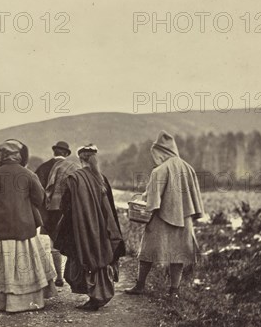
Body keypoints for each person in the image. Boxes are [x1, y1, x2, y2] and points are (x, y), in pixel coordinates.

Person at [0, 139, 57, 312]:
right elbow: (39, 199)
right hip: (23, 228)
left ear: (2, 155)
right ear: (18, 156)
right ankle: (23, 302)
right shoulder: (28, 174)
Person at [125, 130, 204, 298]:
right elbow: (195, 196)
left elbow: (152, 200)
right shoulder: (188, 168)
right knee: (179, 253)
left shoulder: (159, 171)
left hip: (162, 218)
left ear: (160, 151)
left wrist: (145, 206)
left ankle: (140, 285)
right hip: (184, 218)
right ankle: (174, 291)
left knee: (147, 250)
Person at [54, 144, 126, 311]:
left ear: (80, 159)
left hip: (82, 228)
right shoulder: (101, 178)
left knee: (84, 257)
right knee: (100, 256)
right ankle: (98, 294)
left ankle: (94, 296)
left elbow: (65, 206)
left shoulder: (74, 178)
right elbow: (111, 208)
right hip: (102, 227)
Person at [42, 141, 81, 286]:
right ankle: (72, 275)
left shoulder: (43, 167)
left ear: (54, 152)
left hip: (50, 210)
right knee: (71, 240)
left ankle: (58, 276)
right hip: (69, 209)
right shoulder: (75, 167)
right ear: (66, 153)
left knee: (53, 244)